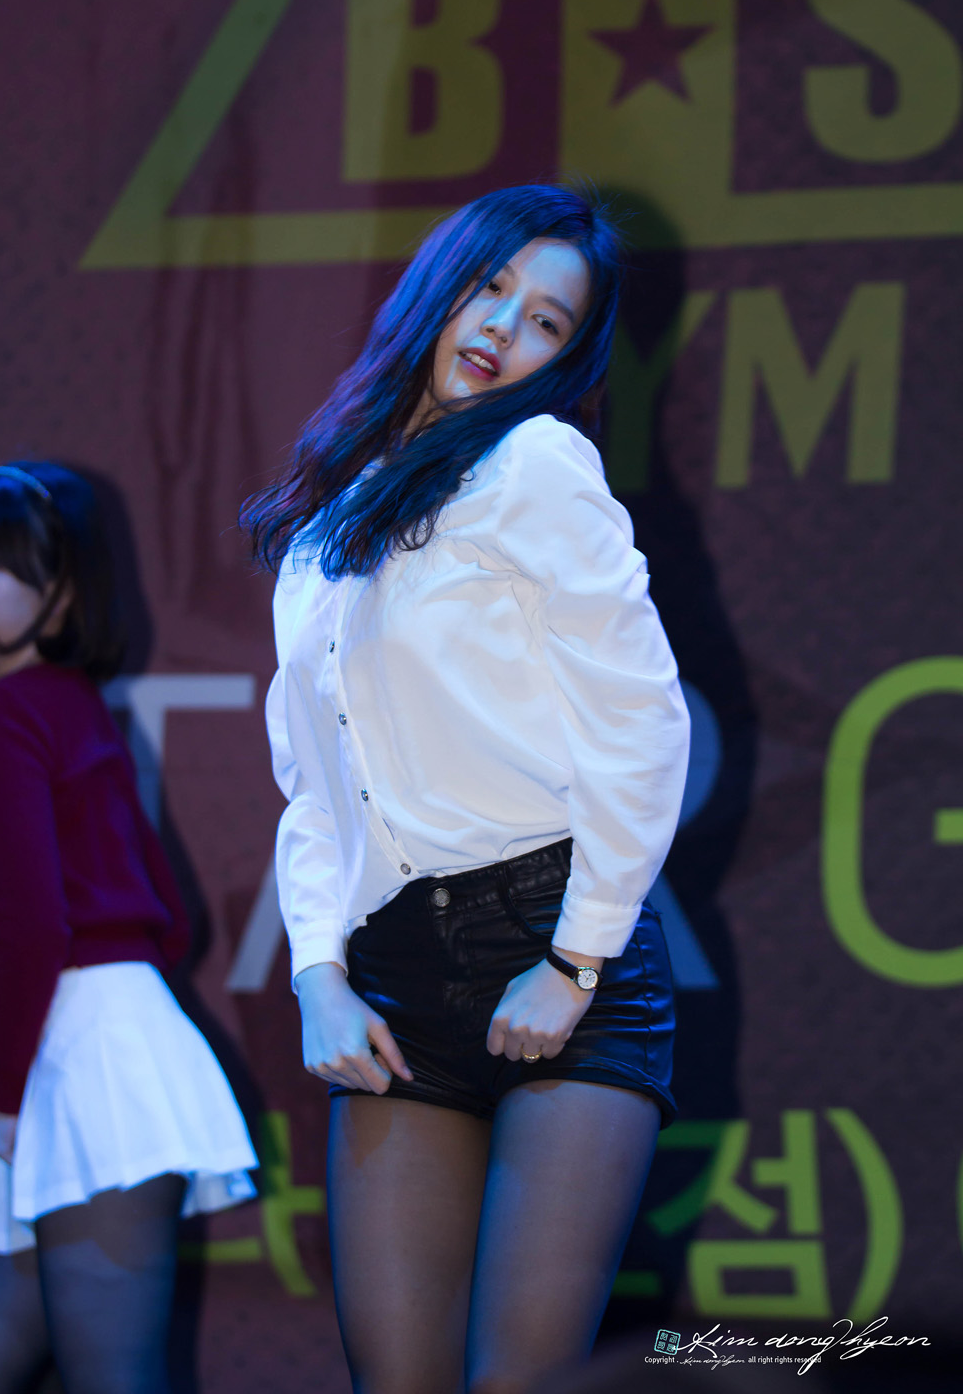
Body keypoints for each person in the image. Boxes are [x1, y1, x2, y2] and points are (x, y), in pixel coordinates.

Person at [245, 185, 690, 1394]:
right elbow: (313, 791)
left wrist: (575, 962)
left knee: (517, 1385)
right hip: (395, 976)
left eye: (546, 320)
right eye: (491, 288)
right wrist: (319, 976)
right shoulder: (329, 516)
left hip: (555, 950)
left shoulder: (535, 463)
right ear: (439, 286)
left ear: (567, 357)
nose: (502, 327)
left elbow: (643, 723)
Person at [0, 463, 258, 1394]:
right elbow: (171, 918)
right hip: (96, 1046)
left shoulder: (2, 715)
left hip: (85, 1062)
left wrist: (12, 1093)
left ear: (65, 591)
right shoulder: (69, 704)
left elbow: (33, 924)